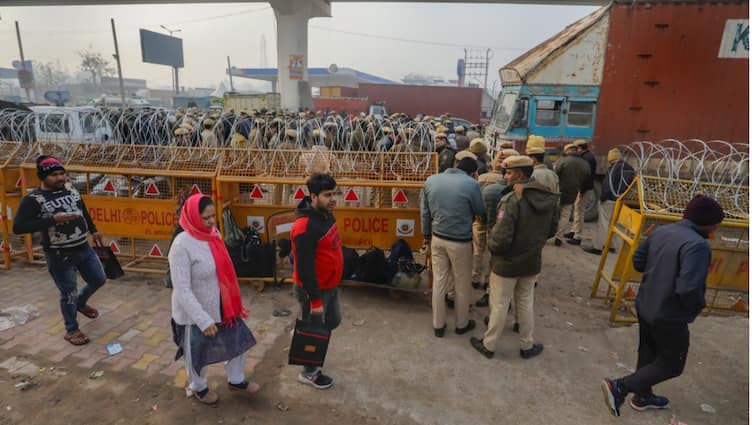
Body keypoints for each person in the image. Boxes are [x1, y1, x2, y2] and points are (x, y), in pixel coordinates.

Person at [601, 195, 724, 417]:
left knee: (648, 353)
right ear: (706, 222)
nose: (717, 227)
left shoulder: (661, 231)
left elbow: (638, 262)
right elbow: (689, 288)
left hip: (646, 302)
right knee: (672, 364)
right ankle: (620, 387)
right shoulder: (697, 246)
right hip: (669, 313)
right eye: (716, 222)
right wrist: (694, 308)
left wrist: (660, 272)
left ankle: (643, 396)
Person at [169, 194, 258, 405]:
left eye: (212, 217)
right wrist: (203, 319)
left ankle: (236, 380)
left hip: (221, 306)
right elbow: (182, 289)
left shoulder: (213, 234)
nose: (211, 222)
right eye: (205, 218)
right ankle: (198, 387)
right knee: (196, 353)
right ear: (192, 217)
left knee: (240, 341)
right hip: (193, 313)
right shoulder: (181, 246)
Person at [470, 155, 559, 360]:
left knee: (500, 304)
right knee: (525, 302)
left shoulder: (511, 199)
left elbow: (500, 238)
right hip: (532, 261)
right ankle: (526, 345)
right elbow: (551, 229)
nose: (506, 177)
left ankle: (489, 345)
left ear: (519, 174)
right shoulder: (548, 196)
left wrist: (492, 247)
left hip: (507, 263)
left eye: (508, 172)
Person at [13, 156, 106, 346]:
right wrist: (52, 220)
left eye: (62, 173)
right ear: (43, 177)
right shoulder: (33, 199)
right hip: (60, 255)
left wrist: (94, 230)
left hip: (84, 247)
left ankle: (81, 303)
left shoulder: (70, 189)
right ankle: (71, 330)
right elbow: (19, 227)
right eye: (54, 175)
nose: (60, 178)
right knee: (68, 293)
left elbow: (83, 209)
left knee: (99, 279)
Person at [290, 173, 344, 390]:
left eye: (335, 194)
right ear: (313, 196)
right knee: (313, 331)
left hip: (330, 286)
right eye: (327, 195)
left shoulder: (325, 214)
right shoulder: (304, 227)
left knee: (332, 321)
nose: (333, 199)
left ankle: (308, 338)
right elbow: (304, 269)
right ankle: (308, 372)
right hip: (314, 289)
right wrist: (314, 301)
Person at [422, 157, 485, 337]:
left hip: (437, 238)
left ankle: (438, 325)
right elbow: (480, 209)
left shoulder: (431, 180)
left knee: (440, 282)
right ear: (473, 173)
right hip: (461, 242)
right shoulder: (471, 184)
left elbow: (425, 213)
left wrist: (426, 234)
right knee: (461, 284)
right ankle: (461, 324)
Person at [584, 148, 636, 255]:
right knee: (615, 223)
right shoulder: (629, 168)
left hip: (609, 199)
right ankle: (611, 246)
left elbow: (608, 184)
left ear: (611, 158)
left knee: (604, 223)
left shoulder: (614, 168)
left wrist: (603, 198)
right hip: (621, 200)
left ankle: (597, 247)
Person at [554, 144, 590, 246]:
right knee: (565, 215)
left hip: (558, 191)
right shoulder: (584, 164)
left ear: (568, 150)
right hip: (573, 193)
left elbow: (555, 174)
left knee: (555, 214)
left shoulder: (563, 161)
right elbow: (586, 177)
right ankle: (559, 237)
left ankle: (549, 234)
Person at [567, 139, 597, 245]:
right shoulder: (587, 157)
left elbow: (586, 176)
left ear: (580, 148)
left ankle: (578, 236)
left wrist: (582, 190)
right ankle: (573, 231)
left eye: (577, 149)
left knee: (580, 211)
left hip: (584, 189)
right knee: (577, 210)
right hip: (584, 188)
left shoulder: (587, 158)